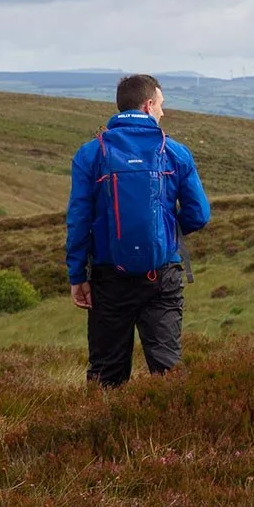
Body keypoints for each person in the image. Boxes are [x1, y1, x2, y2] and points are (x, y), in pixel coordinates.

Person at [66, 74, 211, 386]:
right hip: (162, 274)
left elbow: (78, 220)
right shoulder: (175, 152)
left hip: (108, 276)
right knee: (167, 369)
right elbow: (199, 215)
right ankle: (175, 431)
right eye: (161, 104)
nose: (163, 112)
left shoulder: (91, 154)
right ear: (148, 105)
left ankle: (102, 432)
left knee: (107, 372)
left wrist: (77, 276)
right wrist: (168, 231)